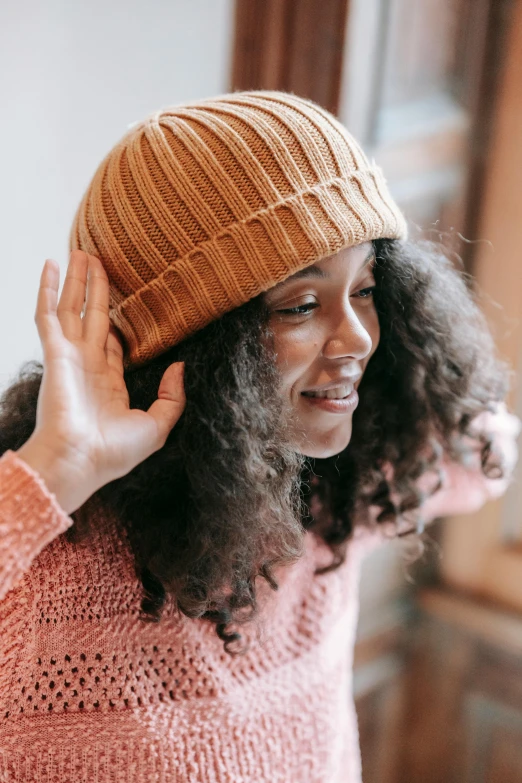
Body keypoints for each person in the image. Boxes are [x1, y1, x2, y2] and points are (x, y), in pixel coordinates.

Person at [0, 91, 519, 783]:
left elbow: (482, 461)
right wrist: (56, 468)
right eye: (300, 305)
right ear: (193, 346)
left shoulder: (335, 494)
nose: (360, 336)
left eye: (366, 288)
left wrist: (433, 394)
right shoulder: (42, 585)